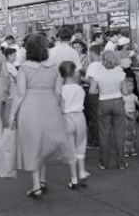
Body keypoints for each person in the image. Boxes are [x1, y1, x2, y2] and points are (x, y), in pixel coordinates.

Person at [9, 34, 74, 199]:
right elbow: (59, 92)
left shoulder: (24, 68)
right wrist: (60, 110)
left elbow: (20, 94)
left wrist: (12, 114)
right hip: (50, 107)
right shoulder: (53, 67)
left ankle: (36, 186)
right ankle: (43, 181)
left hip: (30, 109)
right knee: (45, 145)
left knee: (33, 146)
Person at [89, 50, 128, 170]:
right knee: (119, 133)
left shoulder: (98, 73)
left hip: (103, 101)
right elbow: (125, 91)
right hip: (117, 101)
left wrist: (101, 91)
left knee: (104, 133)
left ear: (103, 59)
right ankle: (121, 162)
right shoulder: (120, 72)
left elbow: (91, 91)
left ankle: (104, 163)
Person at [59, 61, 89, 189]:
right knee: (81, 145)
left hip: (67, 117)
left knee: (70, 148)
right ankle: (82, 172)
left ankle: (74, 178)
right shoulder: (79, 88)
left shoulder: (61, 90)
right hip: (80, 117)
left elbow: (61, 107)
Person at [84, 44, 103, 148]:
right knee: (97, 116)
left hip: (92, 93)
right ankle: (98, 139)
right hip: (100, 92)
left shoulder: (93, 65)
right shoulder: (101, 64)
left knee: (93, 117)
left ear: (91, 53)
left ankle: (95, 140)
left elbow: (90, 81)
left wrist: (80, 77)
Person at [123, 77, 139, 157]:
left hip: (133, 114)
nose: (130, 87)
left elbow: (138, 103)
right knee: (126, 133)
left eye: (131, 85)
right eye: (128, 86)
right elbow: (121, 108)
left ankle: (133, 147)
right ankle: (126, 149)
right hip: (126, 115)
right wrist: (127, 115)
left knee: (133, 132)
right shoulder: (122, 97)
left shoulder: (134, 96)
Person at [3, 48, 18, 123]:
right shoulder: (10, 66)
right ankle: (9, 127)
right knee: (11, 110)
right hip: (11, 88)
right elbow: (16, 78)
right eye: (14, 55)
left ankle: (8, 126)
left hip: (6, 88)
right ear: (9, 56)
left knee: (8, 109)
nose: (16, 57)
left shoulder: (5, 64)